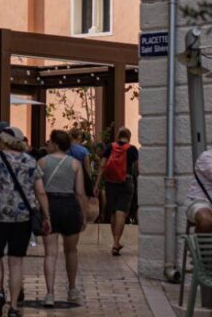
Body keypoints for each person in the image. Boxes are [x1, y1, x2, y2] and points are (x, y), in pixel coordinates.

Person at [0, 125, 51, 317]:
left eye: (0, 139)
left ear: (6, 141)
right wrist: (46, 216)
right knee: (16, 262)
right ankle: (14, 308)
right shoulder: (30, 161)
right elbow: (40, 191)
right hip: (22, 218)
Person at [37, 131, 87, 306]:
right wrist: (83, 215)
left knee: (50, 253)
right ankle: (72, 288)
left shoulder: (42, 162)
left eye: (50, 142)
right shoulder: (75, 164)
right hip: (69, 206)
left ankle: (50, 293)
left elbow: (37, 189)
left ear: (56, 144)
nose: (48, 144)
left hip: (49, 205)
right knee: (71, 251)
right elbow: (79, 192)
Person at [94, 127, 139, 256]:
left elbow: (102, 166)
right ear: (129, 137)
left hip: (110, 183)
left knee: (113, 212)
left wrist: (97, 184)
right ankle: (116, 242)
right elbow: (137, 168)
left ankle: (115, 241)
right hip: (126, 181)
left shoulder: (110, 147)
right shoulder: (132, 149)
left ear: (118, 136)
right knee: (121, 212)